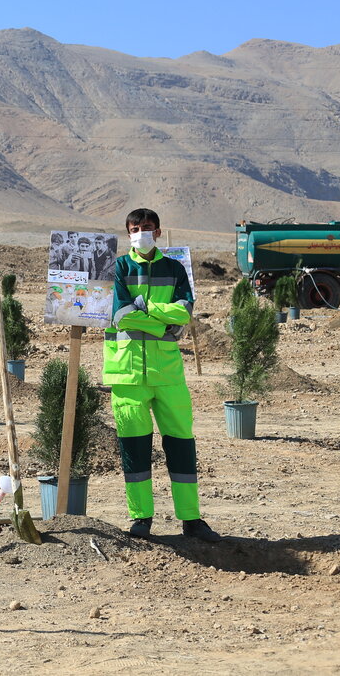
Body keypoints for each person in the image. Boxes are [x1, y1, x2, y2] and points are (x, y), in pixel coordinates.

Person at [104, 208, 221, 542]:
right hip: (126, 374)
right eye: (136, 228)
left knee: (182, 445)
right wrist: (158, 318)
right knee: (135, 449)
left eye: (148, 227)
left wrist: (146, 307)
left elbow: (184, 312)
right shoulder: (117, 268)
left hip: (167, 372)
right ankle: (141, 517)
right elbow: (120, 315)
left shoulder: (174, 268)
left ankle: (192, 519)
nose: (141, 232)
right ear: (128, 233)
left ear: (158, 232)